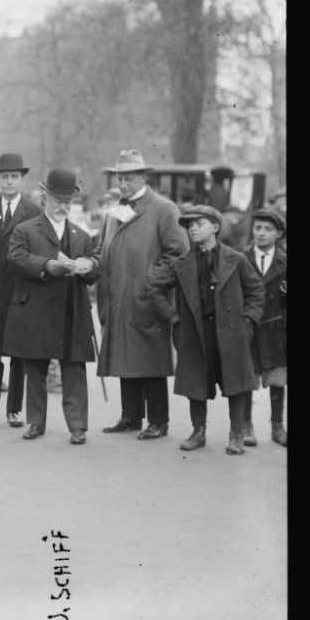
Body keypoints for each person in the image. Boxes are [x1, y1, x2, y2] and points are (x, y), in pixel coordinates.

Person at [145, 205, 264, 455]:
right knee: (196, 383)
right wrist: (173, 318)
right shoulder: (181, 263)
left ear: (216, 227)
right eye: (189, 225)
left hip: (231, 332)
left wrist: (248, 322)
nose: (192, 229)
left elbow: (256, 291)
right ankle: (198, 432)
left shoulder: (236, 259)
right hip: (195, 332)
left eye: (199, 224)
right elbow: (155, 289)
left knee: (237, 383)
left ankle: (236, 435)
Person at [3, 168, 102, 444]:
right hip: (36, 309)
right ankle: (36, 422)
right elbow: (15, 259)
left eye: (67, 201)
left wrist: (90, 265)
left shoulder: (81, 235)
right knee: (35, 367)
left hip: (72, 310)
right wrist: (46, 264)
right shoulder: (25, 230)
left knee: (74, 368)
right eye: (58, 200)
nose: (63, 206)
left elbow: (95, 270)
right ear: (45, 198)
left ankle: (78, 426)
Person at [95, 149, 188, 440]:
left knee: (151, 360)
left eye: (129, 178)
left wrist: (152, 282)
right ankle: (131, 416)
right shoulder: (112, 213)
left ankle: (159, 420)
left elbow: (179, 253)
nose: (123, 184)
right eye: (120, 178)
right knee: (125, 355)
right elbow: (100, 251)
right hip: (118, 297)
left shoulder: (164, 209)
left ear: (144, 177)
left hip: (148, 299)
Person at [0, 153, 42, 430]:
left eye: (15, 176)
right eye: (5, 177)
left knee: (18, 355)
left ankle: (14, 410)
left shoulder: (35, 213)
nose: (10, 181)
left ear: (23, 180)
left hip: (21, 293)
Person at [244, 208, 288, 446]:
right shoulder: (241, 259)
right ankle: (246, 425)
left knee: (277, 379)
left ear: (278, 234)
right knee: (247, 378)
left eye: (268, 229)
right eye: (257, 228)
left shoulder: (285, 261)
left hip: (276, 331)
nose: (261, 233)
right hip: (249, 329)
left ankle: (277, 426)